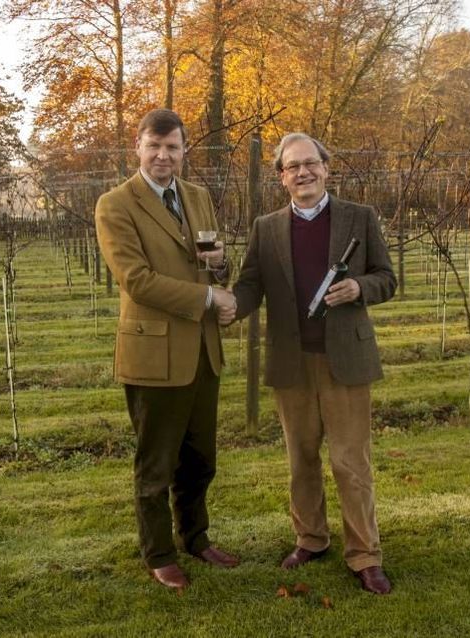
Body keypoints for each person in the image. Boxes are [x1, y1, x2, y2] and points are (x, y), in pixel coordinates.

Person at [227, 132, 397, 594]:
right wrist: (226, 306)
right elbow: (250, 285)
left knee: (350, 462)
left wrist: (361, 288)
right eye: (292, 166)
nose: (303, 172)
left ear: (326, 167)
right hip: (292, 362)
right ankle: (312, 538)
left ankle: (364, 554)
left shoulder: (359, 219)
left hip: (345, 360)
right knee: (301, 460)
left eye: (310, 163)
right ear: (281, 177)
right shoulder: (266, 228)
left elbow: (387, 277)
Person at [94, 108, 240, 589]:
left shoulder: (197, 197)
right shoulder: (115, 205)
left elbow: (212, 263)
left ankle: (196, 538)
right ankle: (159, 552)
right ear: (137, 147)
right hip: (154, 355)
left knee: (201, 459)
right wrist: (206, 297)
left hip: (203, 351)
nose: (163, 156)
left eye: (173, 147)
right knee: (156, 462)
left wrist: (221, 267)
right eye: (154, 146)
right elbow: (136, 281)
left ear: (184, 151)